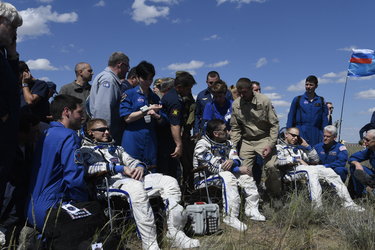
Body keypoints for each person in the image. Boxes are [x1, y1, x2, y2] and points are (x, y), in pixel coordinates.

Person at [77, 118, 200, 250]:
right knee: (137, 188)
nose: (106, 132)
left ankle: (175, 233)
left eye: (107, 129)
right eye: (102, 130)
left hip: (128, 180)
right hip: (108, 183)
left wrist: (140, 167)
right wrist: (119, 168)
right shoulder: (86, 150)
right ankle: (150, 244)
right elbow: (89, 169)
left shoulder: (116, 148)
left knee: (169, 181)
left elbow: (131, 161)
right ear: (90, 132)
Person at [26, 94, 88, 231]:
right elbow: (74, 178)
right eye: (79, 112)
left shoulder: (45, 134)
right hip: (52, 209)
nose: (82, 117)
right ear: (66, 112)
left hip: (31, 209)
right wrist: (84, 203)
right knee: (94, 218)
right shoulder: (69, 136)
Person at [194, 119, 265, 232]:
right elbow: (214, 167)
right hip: (204, 179)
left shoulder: (229, 143)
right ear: (216, 133)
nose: (229, 132)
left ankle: (252, 210)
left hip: (224, 174)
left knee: (246, 177)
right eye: (225, 130)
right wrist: (237, 168)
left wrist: (233, 163)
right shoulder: (202, 145)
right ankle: (230, 216)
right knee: (227, 176)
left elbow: (236, 158)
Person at [276, 127, 363, 211]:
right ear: (286, 134)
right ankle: (317, 206)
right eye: (293, 135)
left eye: (297, 136)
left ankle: (348, 203)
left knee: (328, 171)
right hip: (289, 172)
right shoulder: (279, 147)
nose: (295, 138)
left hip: (302, 169)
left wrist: (307, 146)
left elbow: (315, 159)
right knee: (311, 170)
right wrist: (295, 159)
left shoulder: (297, 149)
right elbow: (278, 161)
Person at [230, 78, 281, 199]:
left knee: (271, 167)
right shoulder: (236, 104)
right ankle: (248, 199)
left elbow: (274, 124)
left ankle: (275, 195)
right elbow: (235, 128)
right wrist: (233, 147)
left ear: (251, 90)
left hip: (264, 138)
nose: (242, 95)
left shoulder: (264, 101)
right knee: (243, 171)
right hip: (247, 140)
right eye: (240, 93)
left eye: (245, 92)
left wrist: (270, 144)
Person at [0, 3, 23, 245]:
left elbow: (10, 83)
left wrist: (13, 53)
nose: (14, 32)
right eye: (12, 26)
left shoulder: (3, 53)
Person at [120, 61, 162, 170]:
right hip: (133, 138)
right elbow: (127, 118)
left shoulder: (155, 97)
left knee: (151, 172)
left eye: (151, 79)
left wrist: (157, 116)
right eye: (145, 79)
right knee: (132, 170)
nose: (148, 82)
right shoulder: (129, 94)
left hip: (150, 139)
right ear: (138, 78)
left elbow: (161, 119)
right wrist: (147, 110)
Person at [157, 72, 195, 179]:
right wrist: (179, 145)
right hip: (167, 141)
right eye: (188, 89)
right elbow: (174, 124)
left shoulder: (171, 95)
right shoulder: (175, 101)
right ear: (179, 87)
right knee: (170, 173)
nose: (189, 92)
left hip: (164, 139)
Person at [89, 52, 130, 144]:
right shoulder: (109, 80)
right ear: (120, 64)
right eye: (127, 67)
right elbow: (103, 109)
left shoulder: (105, 77)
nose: (127, 70)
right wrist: (104, 133)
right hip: (106, 136)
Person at [287, 75, 328, 146]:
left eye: (311, 85)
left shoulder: (321, 100)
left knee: (315, 155)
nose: (308, 87)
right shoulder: (297, 99)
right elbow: (290, 117)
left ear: (316, 86)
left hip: (316, 134)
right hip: (300, 133)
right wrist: (289, 134)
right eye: (306, 84)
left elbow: (324, 120)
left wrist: (325, 135)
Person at [194, 71, 232, 137]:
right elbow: (197, 114)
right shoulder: (202, 96)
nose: (218, 99)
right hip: (211, 133)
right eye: (211, 83)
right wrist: (196, 130)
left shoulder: (229, 96)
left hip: (228, 133)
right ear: (207, 82)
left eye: (216, 82)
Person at [348, 129, 375, 197]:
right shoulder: (370, 150)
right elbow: (352, 158)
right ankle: (359, 195)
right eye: (364, 139)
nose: (364, 142)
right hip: (373, 175)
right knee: (354, 167)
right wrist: (357, 164)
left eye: (368, 140)